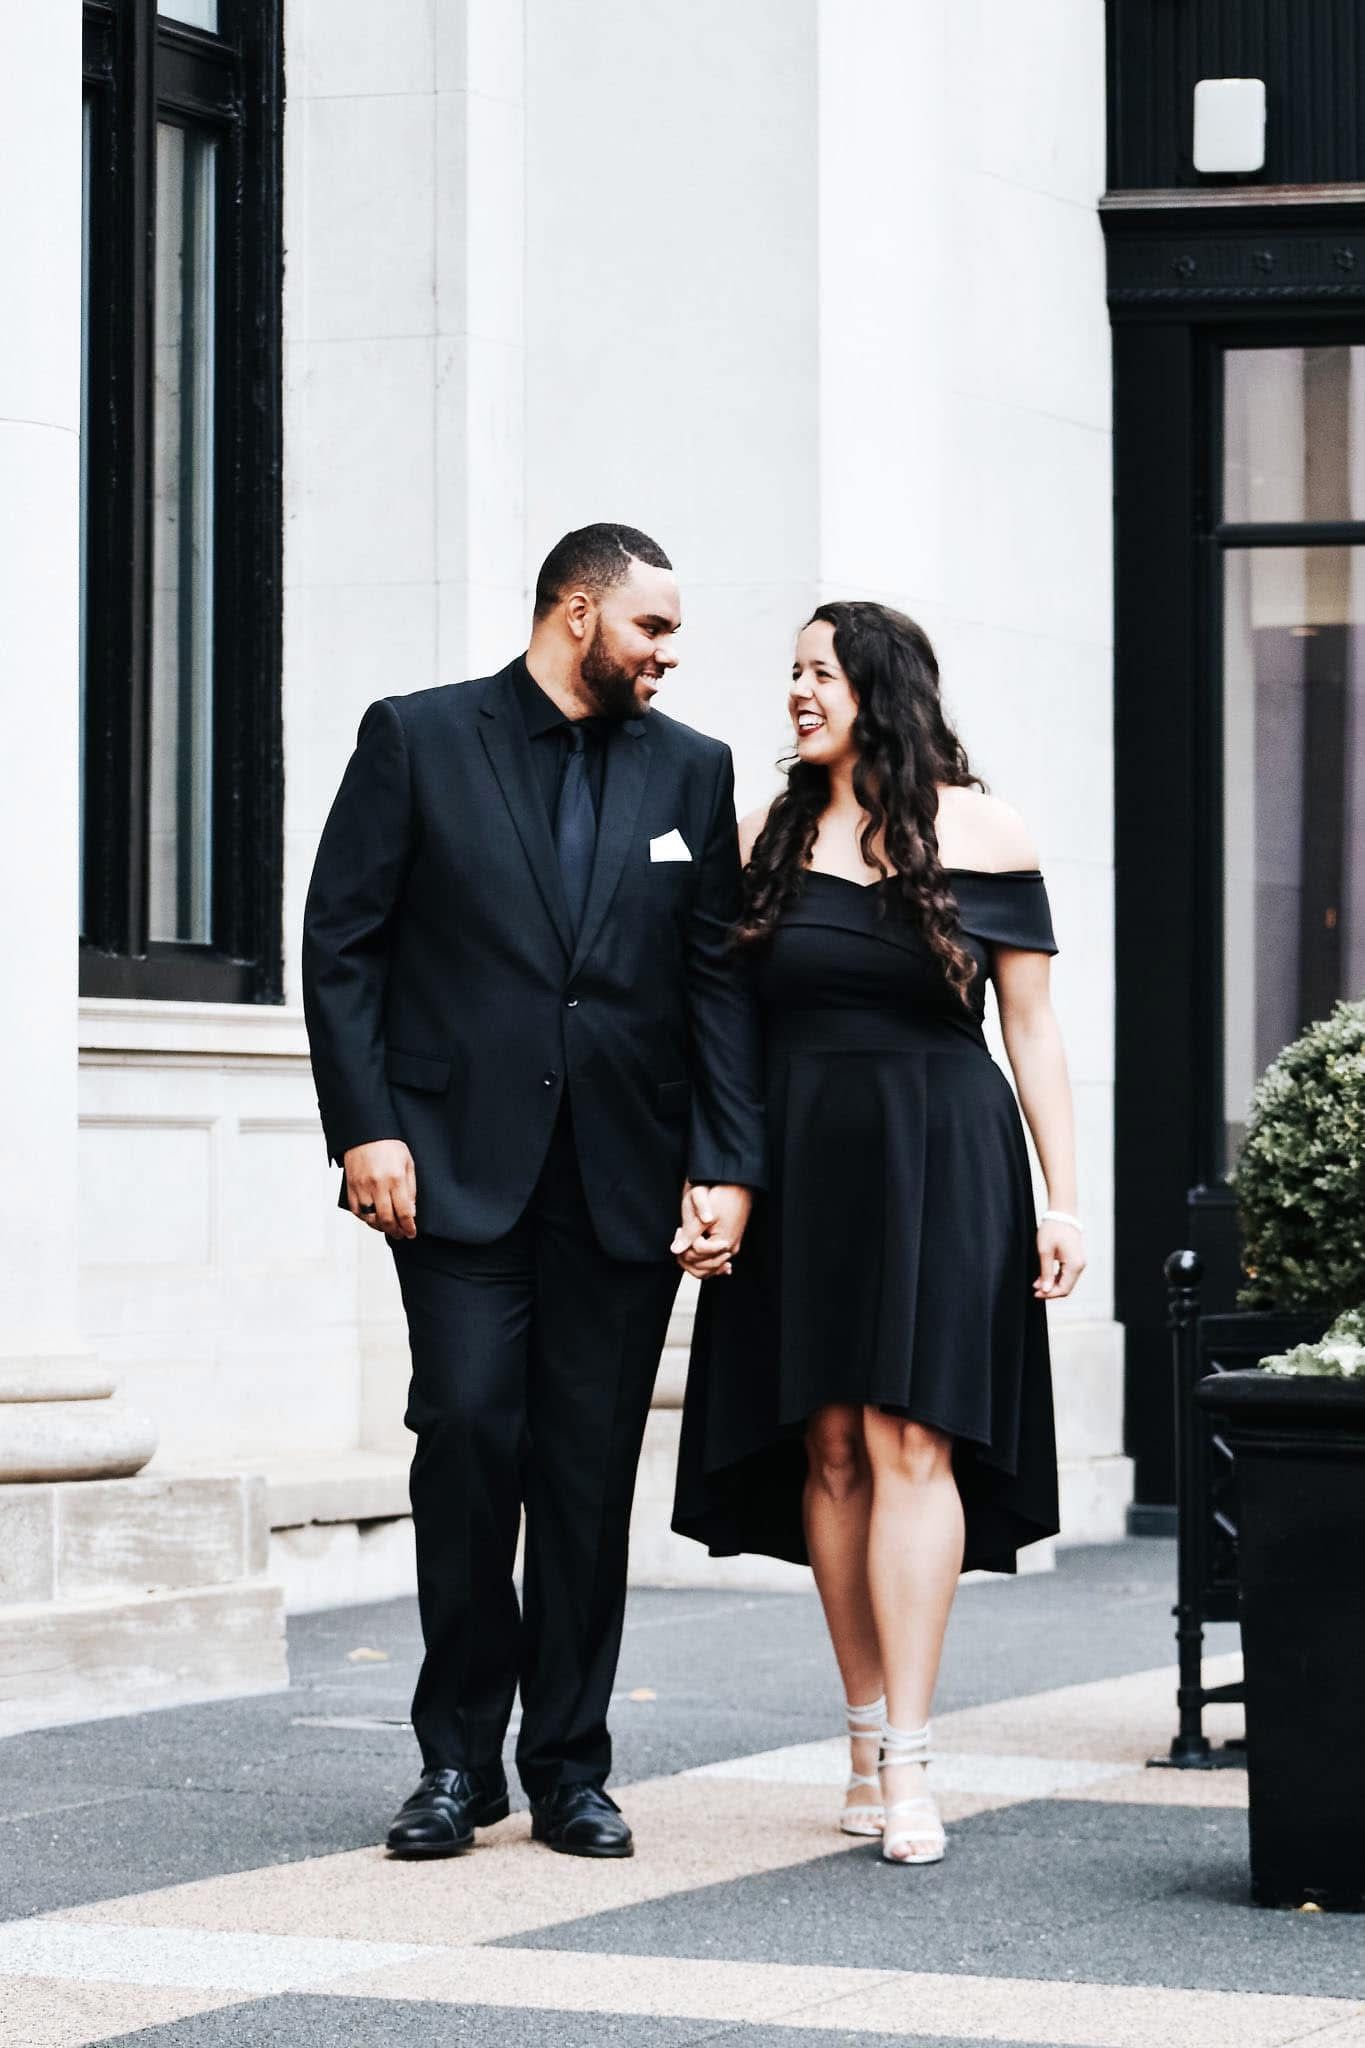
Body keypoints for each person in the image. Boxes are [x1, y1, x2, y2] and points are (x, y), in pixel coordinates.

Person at [303, 523, 763, 1861]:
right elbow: (342, 944)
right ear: (577, 613)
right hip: (449, 1172)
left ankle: (569, 1766)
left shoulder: (693, 771)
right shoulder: (417, 737)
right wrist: (365, 1130)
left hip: (620, 1177)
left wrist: (726, 1164)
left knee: (581, 1473)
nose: (670, 656)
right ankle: (455, 1762)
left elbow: (715, 986)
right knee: (464, 1440)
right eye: (653, 630)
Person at [672, 600, 1082, 1866]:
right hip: (800, 1157)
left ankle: (911, 1756)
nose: (798, 691)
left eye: (822, 672)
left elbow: (1032, 1030)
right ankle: (859, 1728)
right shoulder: (759, 833)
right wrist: (717, 1169)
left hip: (941, 1149)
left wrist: (1065, 1195)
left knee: (914, 1438)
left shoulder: (983, 826)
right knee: (835, 1445)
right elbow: (721, 1027)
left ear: (883, 686)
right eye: (790, 671)